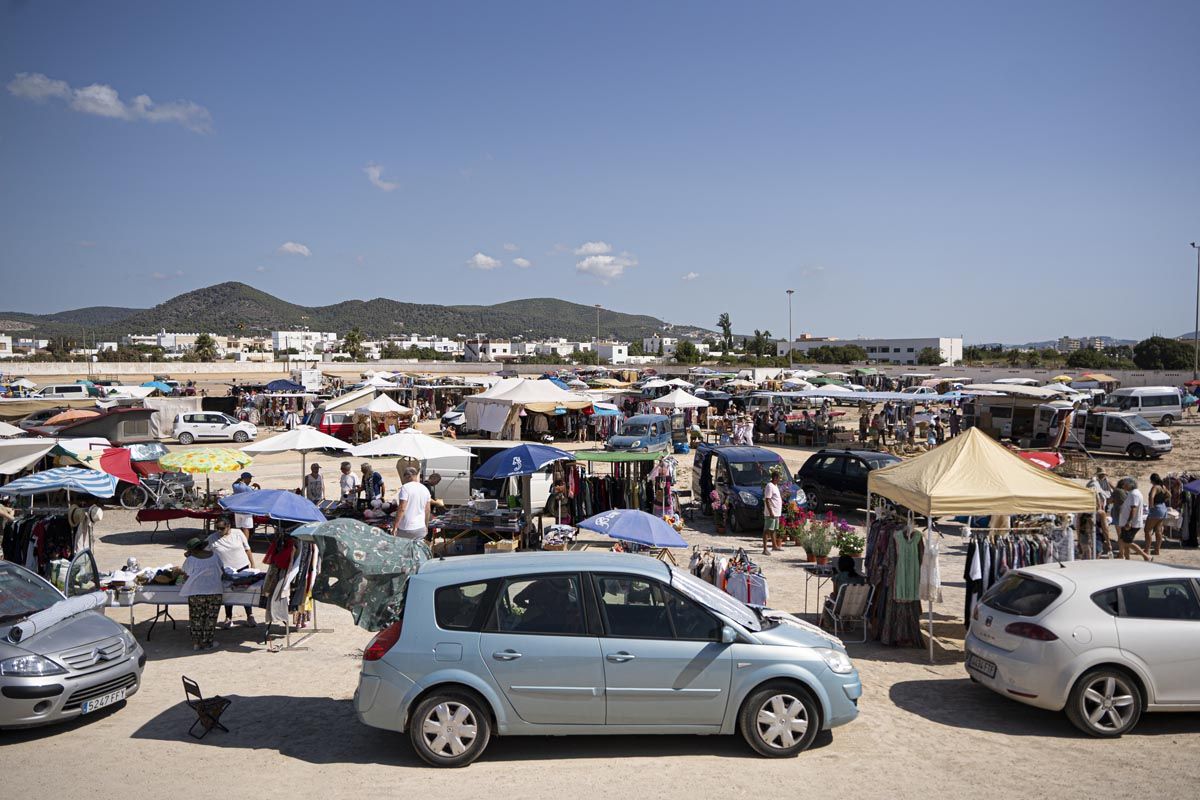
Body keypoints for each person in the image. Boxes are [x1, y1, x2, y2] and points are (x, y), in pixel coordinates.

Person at [207, 518, 257, 628]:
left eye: (222, 528)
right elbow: (205, 551)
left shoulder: (238, 533)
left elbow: (247, 549)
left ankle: (250, 616)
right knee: (228, 593)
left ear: (228, 526)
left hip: (242, 567)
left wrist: (252, 564)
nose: (219, 531)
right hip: (225, 570)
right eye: (217, 528)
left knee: (245, 591)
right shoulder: (212, 538)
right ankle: (228, 617)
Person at [179, 537, 224, 651]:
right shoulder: (215, 556)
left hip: (196, 591)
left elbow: (185, 575)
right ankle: (207, 643)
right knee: (210, 618)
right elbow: (222, 570)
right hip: (214, 590)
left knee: (196, 618)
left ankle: (196, 643)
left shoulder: (191, 560)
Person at [1116, 477, 1152, 561]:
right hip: (1129, 522)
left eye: (1125, 484)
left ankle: (1146, 556)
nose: (1123, 486)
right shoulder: (1132, 493)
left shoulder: (1134, 494)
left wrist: (1129, 521)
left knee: (1126, 542)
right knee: (1122, 540)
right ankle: (1125, 557)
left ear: (1129, 485)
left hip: (1131, 523)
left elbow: (1133, 508)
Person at [392, 466, 432, 540]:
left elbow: (402, 508)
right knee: (416, 550)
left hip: (406, 528)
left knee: (404, 550)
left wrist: (395, 526)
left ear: (408, 476)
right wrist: (426, 525)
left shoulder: (405, 488)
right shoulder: (425, 489)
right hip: (420, 527)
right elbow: (427, 510)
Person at [1087, 469, 1115, 556]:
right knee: (1103, 525)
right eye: (1101, 474)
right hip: (1100, 506)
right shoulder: (1095, 483)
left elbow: (1113, 488)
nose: (1103, 476)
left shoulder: (1105, 481)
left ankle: (1104, 539)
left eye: (1104, 474)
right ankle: (1105, 541)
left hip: (1103, 503)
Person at [1144, 473, 1170, 555]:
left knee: (1147, 530)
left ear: (1152, 480)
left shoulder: (1155, 487)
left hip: (1156, 509)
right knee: (1158, 530)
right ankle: (1157, 550)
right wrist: (1163, 501)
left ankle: (1147, 550)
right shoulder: (1163, 487)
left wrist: (1151, 507)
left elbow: (1151, 496)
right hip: (1163, 508)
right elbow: (1169, 495)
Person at [761, 470, 784, 555]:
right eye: (779, 478)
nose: (780, 480)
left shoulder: (775, 486)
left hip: (776, 512)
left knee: (773, 529)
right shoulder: (769, 486)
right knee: (767, 530)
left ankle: (774, 546)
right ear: (775, 478)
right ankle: (765, 549)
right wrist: (771, 511)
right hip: (771, 512)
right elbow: (767, 499)